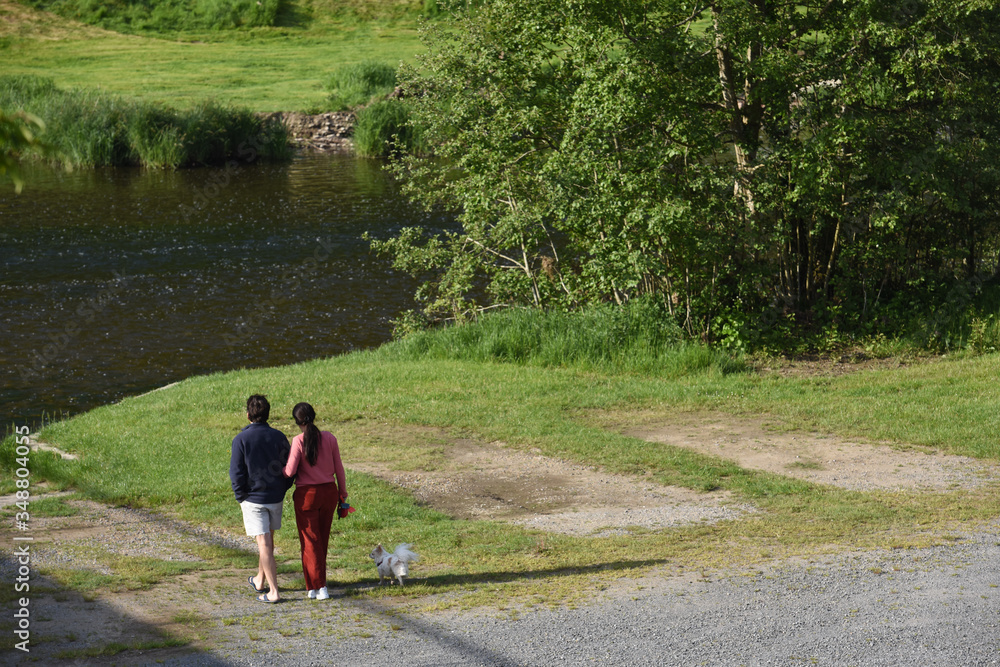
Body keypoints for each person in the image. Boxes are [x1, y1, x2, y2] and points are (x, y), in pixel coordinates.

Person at [229, 394, 293, 603]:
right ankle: (259, 580)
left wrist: (241, 496)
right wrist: (284, 487)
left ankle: (273, 592)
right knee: (266, 541)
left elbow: (236, 472)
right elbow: (290, 467)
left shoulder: (241, 439)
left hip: (254, 499)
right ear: (268, 414)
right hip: (275, 497)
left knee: (264, 543)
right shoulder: (279, 436)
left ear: (248, 415)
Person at [283, 402, 348, 601]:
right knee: (322, 540)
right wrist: (343, 496)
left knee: (310, 541)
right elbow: (339, 469)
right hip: (329, 492)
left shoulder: (298, 440)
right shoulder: (329, 438)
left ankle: (319, 586)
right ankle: (312, 585)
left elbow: (290, 471)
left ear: (297, 422)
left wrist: (278, 469)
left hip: (307, 496)